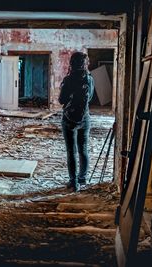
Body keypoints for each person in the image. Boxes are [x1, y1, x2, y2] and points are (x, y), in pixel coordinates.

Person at [59, 51, 94, 192]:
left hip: (69, 118)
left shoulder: (69, 79)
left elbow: (61, 100)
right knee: (83, 149)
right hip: (85, 117)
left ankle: (73, 183)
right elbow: (90, 98)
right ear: (85, 64)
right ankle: (82, 179)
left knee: (71, 151)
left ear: (72, 63)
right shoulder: (89, 78)